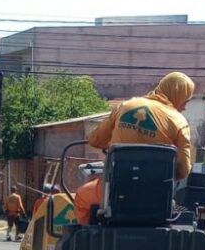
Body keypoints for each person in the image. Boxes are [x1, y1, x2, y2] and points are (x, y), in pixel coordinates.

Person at [74, 72, 196, 225]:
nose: (184, 107)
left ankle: (91, 236)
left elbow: (95, 140)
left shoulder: (126, 106)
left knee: (81, 196)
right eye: (186, 100)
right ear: (178, 95)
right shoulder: (180, 122)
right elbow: (183, 170)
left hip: (114, 193)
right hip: (156, 199)